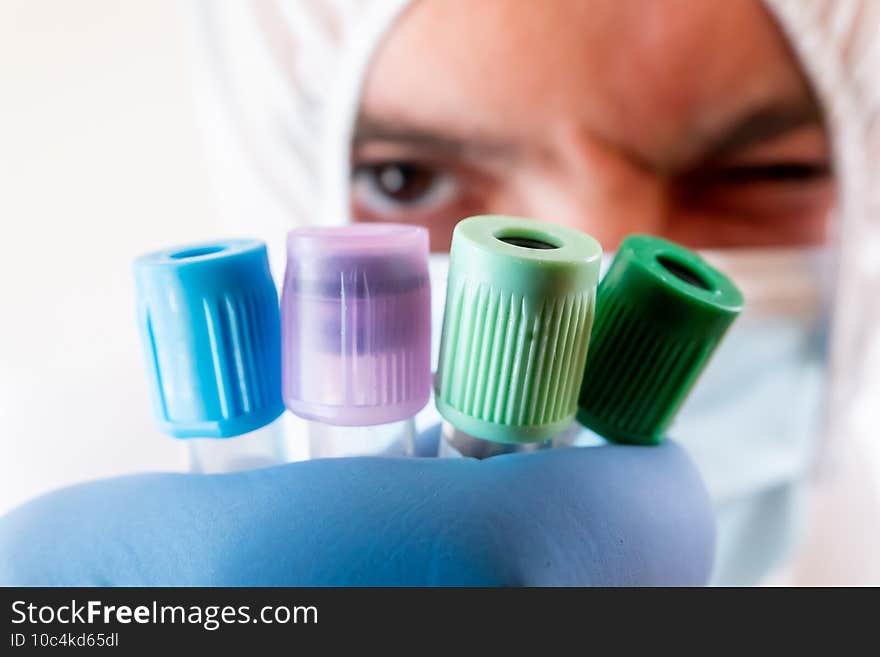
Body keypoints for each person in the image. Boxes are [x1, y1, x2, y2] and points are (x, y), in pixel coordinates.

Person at [1, 0, 878, 585]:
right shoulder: (68, 499)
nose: (596, 255)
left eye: (769, 170)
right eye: (406, 176)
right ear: (279, 174)